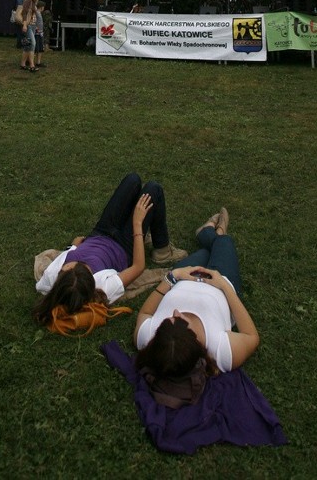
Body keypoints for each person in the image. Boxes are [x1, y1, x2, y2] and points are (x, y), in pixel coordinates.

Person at [133, 208, 260, 406]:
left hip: (183, 276)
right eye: (180, 320)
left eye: (169, 319)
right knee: (224, 243)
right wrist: (225, 286)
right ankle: (211, 233)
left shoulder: (149, 339)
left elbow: (146, 312)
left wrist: (172, 277)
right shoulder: (219, 350)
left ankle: (210, 236)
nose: (175, 312)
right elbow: (251, 337)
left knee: (204, 253)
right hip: (220, 280)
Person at [33, 173, 185, 330]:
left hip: (100, 232)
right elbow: (138, 267)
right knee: (153, 189)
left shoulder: (51, 278)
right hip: (124, 246)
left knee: (132, 180)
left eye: (68, 265)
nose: (75, 262)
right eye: (83, 267)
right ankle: (163, 250)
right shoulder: (103, 288)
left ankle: (139, 225)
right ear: (91, 281)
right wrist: (137, 225)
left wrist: (73, 247)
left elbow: (65, 257)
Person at [19, 0, 42, 72]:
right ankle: (32, 65)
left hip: (32, 25)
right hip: (28, 25)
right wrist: (25, 25)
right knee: (32, 43)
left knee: (27, 44)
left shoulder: (33, 1)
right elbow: (24, 13)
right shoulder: (28, 0)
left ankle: (23, 63)